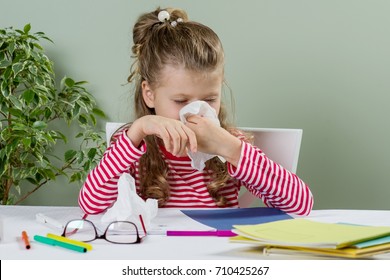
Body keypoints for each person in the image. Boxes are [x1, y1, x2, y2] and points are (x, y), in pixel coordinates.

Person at [78, 7, 313, 216]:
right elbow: (91, 205)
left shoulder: (230, 145)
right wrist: (138, 130)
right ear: (149, 94)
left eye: (210, 99)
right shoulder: (133, 144)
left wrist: (230, 148)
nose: (195, 112)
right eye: (180, 100)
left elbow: (301, 205)